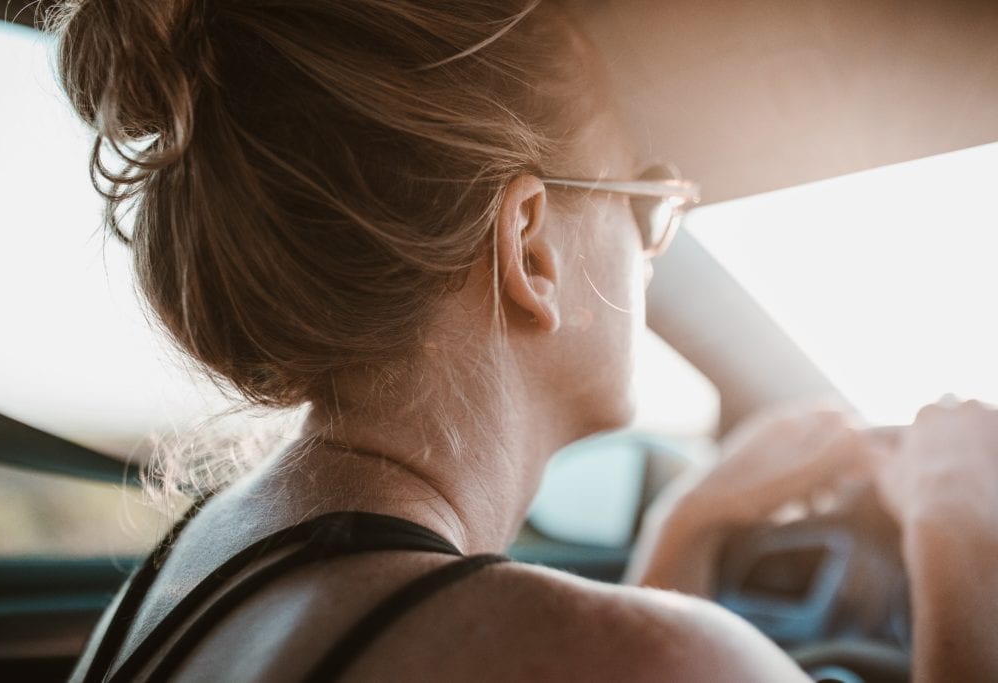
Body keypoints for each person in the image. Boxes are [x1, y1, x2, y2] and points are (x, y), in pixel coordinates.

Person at [49, 0, 997, 680]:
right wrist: (963, 536)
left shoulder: (191, 570)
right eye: (650, 198)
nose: (654, 248)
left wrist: (688, 524)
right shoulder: (639, 656)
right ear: (532, 247)